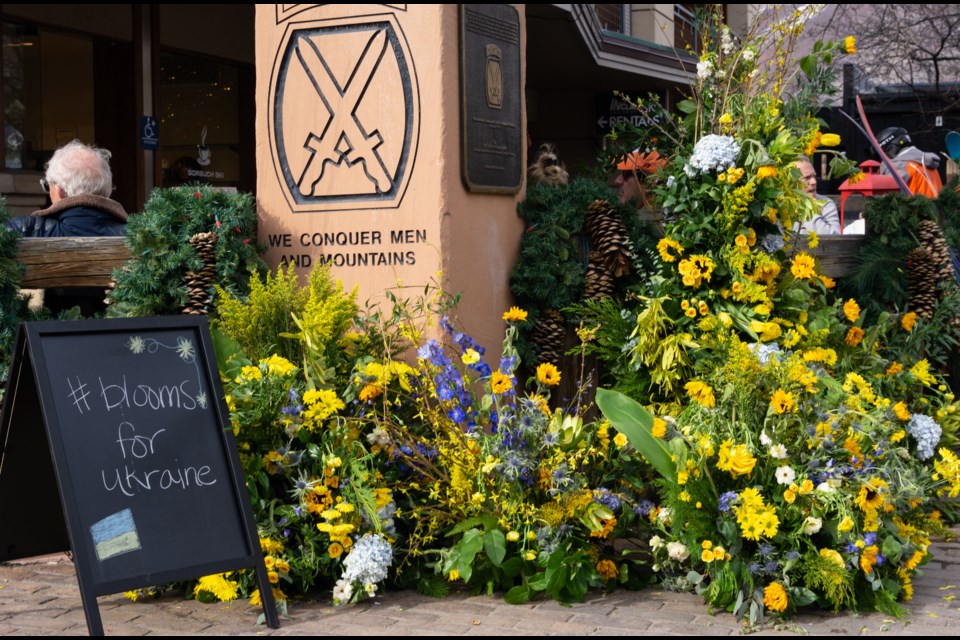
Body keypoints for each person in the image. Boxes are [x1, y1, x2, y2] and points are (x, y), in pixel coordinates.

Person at [7, 139, 127, 314]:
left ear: (59, 191)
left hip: (46, 339)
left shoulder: (24, 230)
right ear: (107, 190)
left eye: (48, 186)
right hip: (124, 338)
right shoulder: (139, 236)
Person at [876, 127, 942, 197]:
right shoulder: (926, 163)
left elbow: (886, 198)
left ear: (890, 149)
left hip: (916, 207)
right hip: (935, 207)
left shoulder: (901, 166)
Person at [793, 155, 840, 235]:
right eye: (807, 177)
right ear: (791, 182)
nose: (814, 181)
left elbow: (834, 238)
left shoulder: (826, 204)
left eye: (814, 176)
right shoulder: (780, 205)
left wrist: (807, 207)